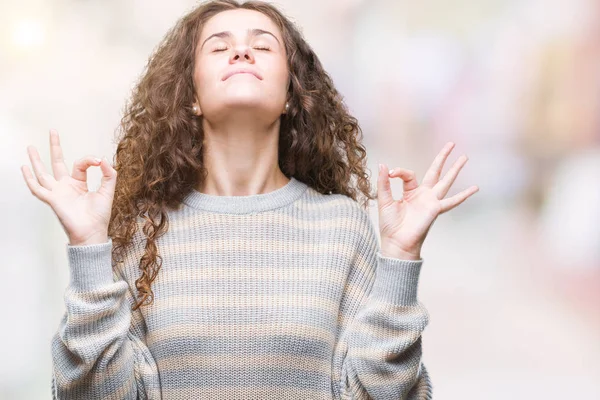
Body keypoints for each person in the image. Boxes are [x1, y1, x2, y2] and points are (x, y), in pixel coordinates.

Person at [21, 0, 478, 398]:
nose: (241, 51)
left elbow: (382, 395)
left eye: (262, 46)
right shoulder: (139, 231)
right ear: (191, 97)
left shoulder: (341, 226)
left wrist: (400, 258)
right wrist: (87, 249)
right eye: (218, 47)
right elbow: (95, 396)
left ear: (291, 96)